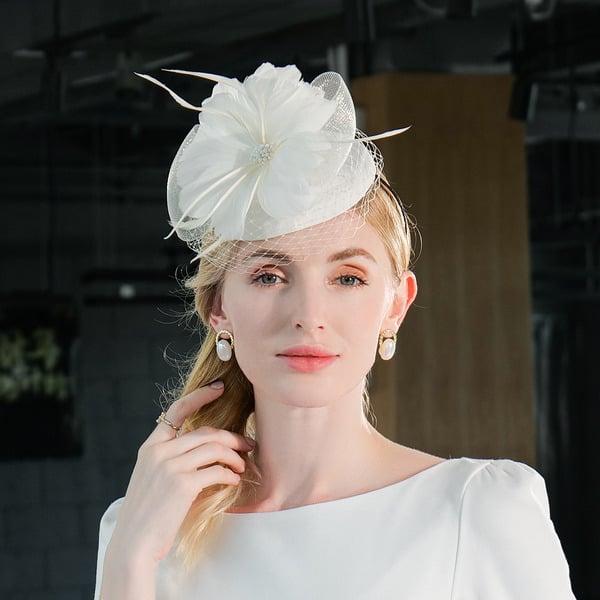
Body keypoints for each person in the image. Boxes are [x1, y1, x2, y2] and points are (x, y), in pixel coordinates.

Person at [94, 63, 575, 599]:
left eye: (348, 277)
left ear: (396, 305)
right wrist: (132, 555)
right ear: (218, 306)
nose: (309, 314)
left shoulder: (478, 511)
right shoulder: (145, 523)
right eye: (269, 276)